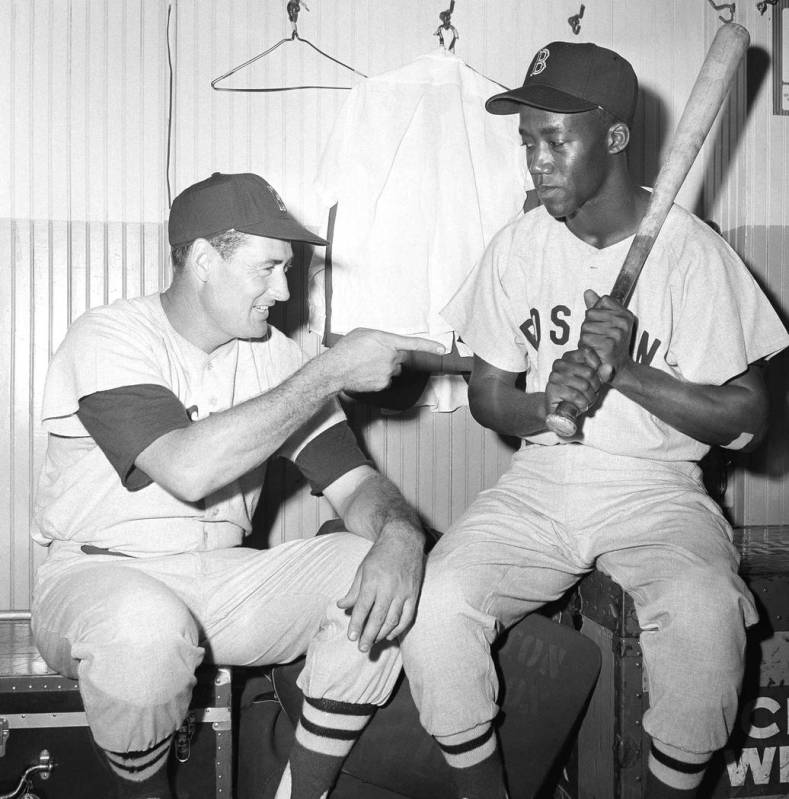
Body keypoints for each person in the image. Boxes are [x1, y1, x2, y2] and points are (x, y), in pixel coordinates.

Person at [399, 41, 789, 799]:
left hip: (658, 487)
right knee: (437, 603)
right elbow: (488, 394)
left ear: (612, 139)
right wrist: (544, 403)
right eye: (527, 143)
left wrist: (624, 372)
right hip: (540, 480)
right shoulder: (516, 246)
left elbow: (748, 420)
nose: (535, 162)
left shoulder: (691, 254)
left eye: (554, 141)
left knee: (707, 617)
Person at [31, 171, 445, 799]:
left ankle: (302, 792)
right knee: (146, 625)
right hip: (97, 579)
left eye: (288, 269)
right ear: (202, 260)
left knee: (379, 566)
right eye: (268, 268)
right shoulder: (111, 335)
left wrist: (400, 536)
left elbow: (356, 485)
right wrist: (329, 370)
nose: (283, 290)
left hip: (223, 583)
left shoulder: (274, 356)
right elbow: (187, 468)